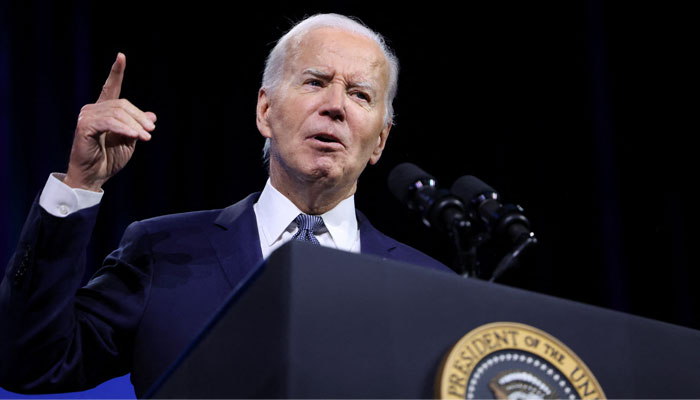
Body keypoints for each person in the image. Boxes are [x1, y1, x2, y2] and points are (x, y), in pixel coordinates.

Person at [0, 13, 452, 397]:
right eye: (315, 82)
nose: (335, 106)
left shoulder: (430, 288)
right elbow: (31, 361)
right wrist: (81, 183)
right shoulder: (162, 252)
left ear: (380, 140)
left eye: (360, 94)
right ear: (265, 111)